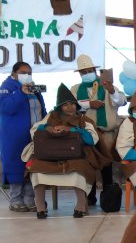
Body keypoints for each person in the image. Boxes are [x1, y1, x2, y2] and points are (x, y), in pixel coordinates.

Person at [25, 84, 106, 219]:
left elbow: (92, 139)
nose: (70, 107)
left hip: (75, 156)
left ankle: (80, 205)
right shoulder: (51, 117)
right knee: (35, 168)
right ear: (59, 107)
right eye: (65, 105)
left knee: (81, 168)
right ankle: (40, 206)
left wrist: (74, 130)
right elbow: (35, 131)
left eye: (72, 104)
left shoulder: (83, 119)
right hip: (50, 155)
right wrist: (46, 128)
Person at [71, 54, 126, 206]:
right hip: (87, 133)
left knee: (106, 165)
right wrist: (89, 104)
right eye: (83, 72)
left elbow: (121, 101)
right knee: (88, 164)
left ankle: (107, 197)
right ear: (80, 74)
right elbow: (71, 105)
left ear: (95, 71)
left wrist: (112, 91)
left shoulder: (106, 85)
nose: (86, 74)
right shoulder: (75, 89)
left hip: (105, 133)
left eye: (89, 70)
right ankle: (90, 196)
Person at [0, 61, 46, 212]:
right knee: (15, 166)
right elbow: (5, 108)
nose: (27, 75)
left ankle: (31, 199)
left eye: (29, 73)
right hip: (14, 135)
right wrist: (20, 92)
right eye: (23, 73)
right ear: (14, 73)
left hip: (33, 135)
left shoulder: (33, 88)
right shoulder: (6, 88)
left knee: (32, 166)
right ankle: (16, 200)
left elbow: (41, 108)